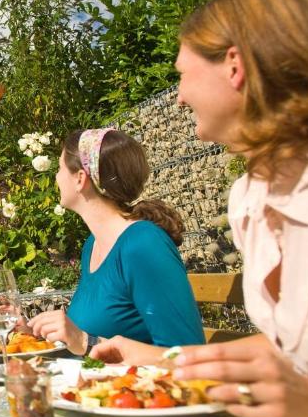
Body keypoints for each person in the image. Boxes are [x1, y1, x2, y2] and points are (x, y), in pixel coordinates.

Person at [91, 0, 308, 417]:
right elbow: (298, 351)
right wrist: (169, 361)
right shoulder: (252, 195)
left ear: (234, 65)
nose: (179, 95)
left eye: (182, 74)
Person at [27, 129, 204, 354]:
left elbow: (188, 354)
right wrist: (33, 332)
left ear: (80, 179)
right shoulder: (92, 246)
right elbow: (89, 333)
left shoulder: (143, 244)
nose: (56, 177)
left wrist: (86, 341)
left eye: (60, 168)